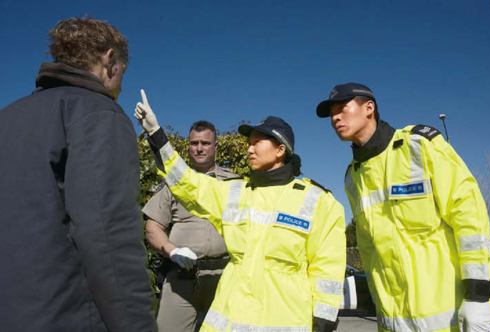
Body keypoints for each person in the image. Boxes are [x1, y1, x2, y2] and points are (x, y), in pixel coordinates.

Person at [134, 90, 346, 332]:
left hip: (286, 318)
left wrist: (324, 318)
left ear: (280, 150)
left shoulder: (319, 201)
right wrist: (156, 134)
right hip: (229, 317)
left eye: (258, 142)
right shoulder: (234, 193)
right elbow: (186, 182)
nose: (249, 149)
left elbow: (327, 266)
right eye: (248, 143)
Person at [0, 17, 155, 332]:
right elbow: (109, 237)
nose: (121, 84)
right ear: (109, 59)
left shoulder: (8, 117)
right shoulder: (98, 114)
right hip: (66, 316)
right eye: (123, 71)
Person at [316, 82, 490, 332]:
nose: (335, 116)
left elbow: (469, 216)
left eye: (343, 107)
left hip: (460, 317)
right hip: (397, 323)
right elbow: (372, 254)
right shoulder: (352, 177)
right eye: (331, 113)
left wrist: (477, 294)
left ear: (369, 107)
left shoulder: (418, 146)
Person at [143, 120, 238, 332]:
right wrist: (172, 250)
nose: (199, 148)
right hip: (182, 279)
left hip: (226, 279)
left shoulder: (235, 184)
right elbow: (153, 226)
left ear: (215, 146)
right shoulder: (173, 184)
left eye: (205, 143)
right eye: (194, 143)